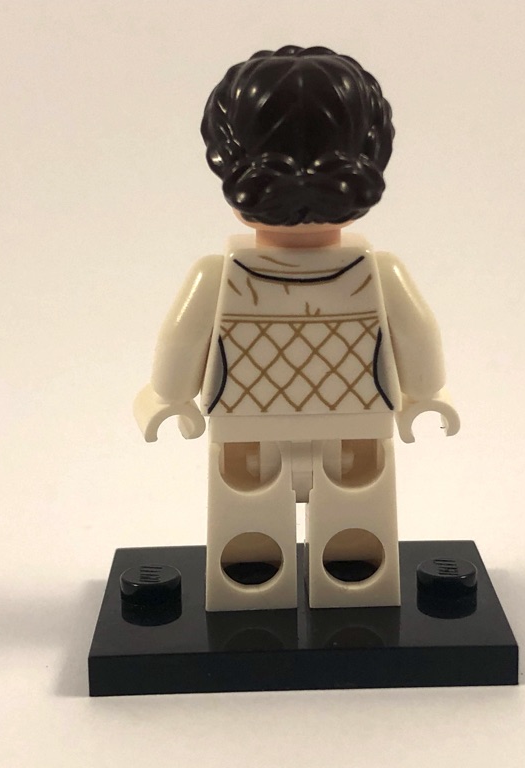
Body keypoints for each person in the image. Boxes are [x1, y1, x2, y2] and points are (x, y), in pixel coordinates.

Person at [134, 46, 459, 611]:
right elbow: (418, 333)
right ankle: (347, 589)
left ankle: (258, 592)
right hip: (346, 412)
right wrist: (425, 393)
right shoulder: (375, 272)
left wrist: (169, 395)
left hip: (256, 415)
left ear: (224, 161)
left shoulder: (222, 275)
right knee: (340, 507)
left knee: (262, 510)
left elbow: (181, 340)